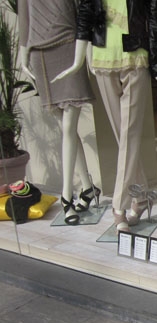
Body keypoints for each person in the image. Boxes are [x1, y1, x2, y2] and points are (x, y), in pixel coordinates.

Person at [54, 0, 157, 232]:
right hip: (101, 60)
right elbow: (85, 13)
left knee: (129, 135)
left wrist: (156, 66)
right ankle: (141, 198)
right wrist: (78, 60)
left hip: (135, 58)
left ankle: (119, 205)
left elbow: (156, 17)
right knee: (123, 138)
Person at [18, 0, 99, 225]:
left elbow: (83, 8)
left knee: (68, 127)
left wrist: (88, 49)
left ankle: (66, 196)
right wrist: (24, 55)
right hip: (40, 53)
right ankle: (88, 187)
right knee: (65, 128)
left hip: (69, 45)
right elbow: (24, 15)